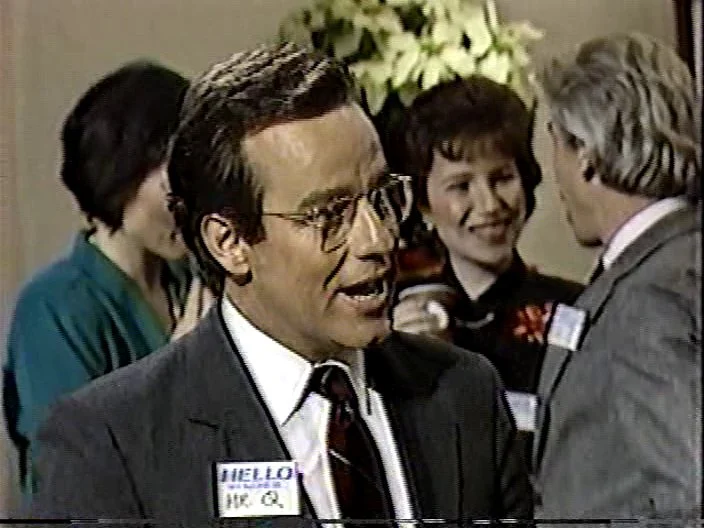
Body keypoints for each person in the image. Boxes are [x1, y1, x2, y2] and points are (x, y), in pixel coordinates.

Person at [30, 43, 532, 522]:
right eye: (328, 214)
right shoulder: (110, 445)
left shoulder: (465, 395)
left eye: (382, 197)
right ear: (229, 242)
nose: (378, 239)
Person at [2, 60, 213, 496]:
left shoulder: (190, 280)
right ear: (122, 174)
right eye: (174, 181)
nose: (191, 202)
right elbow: (70, 470)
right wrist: (176, 371)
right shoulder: (55, 307)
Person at [533, 32, 701, 518]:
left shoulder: (648, 299)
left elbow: (687, 499)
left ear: (585, 154)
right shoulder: (676, 260)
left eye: (556, 142)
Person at [390, 76, 583, 469]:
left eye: (502, 178)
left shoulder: (576, 309)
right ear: (423, 203)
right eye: (461, 186)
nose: (489, 204)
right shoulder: (387, 322)